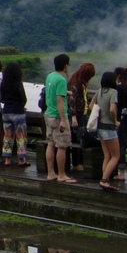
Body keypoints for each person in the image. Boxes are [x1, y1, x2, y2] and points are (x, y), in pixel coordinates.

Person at [44, 53, 75, 183]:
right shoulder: (62, 80)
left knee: (51, 144)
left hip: (48, 113)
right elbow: (59, 101)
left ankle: (51, 173)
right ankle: (62, 174)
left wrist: (65, 93)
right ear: (65, 66)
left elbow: (52, 92)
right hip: (58, 116)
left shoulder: (50, 76)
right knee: (62, 146)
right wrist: (63, 119)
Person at [67, 62, 97, 172]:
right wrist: (73, 116)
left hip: (82, 114)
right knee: (77, 138)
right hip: (78, 115)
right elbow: (72, 100)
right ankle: (76, 163)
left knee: (82, 137)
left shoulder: (80, 81)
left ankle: (80, 161)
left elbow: (82, 97)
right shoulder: (75, 82)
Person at [94, 70, 121, 191]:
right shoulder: (113, 92)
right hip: (109, 127)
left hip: (100, 126)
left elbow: (91, 106)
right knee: (115, 156)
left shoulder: (99, 91)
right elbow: (112, 110)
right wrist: (115, 121)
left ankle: (105, 179)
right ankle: (104, 180)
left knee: (107, 155)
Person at [0, 61, 28, 167]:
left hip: (6, 111)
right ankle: (21, 160)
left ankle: (7, 159)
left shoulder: (3, 83)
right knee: (21, 136)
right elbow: (23, 98)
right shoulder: (18, 83)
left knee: (7, 136)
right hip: (18, 111)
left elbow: (2, 99)